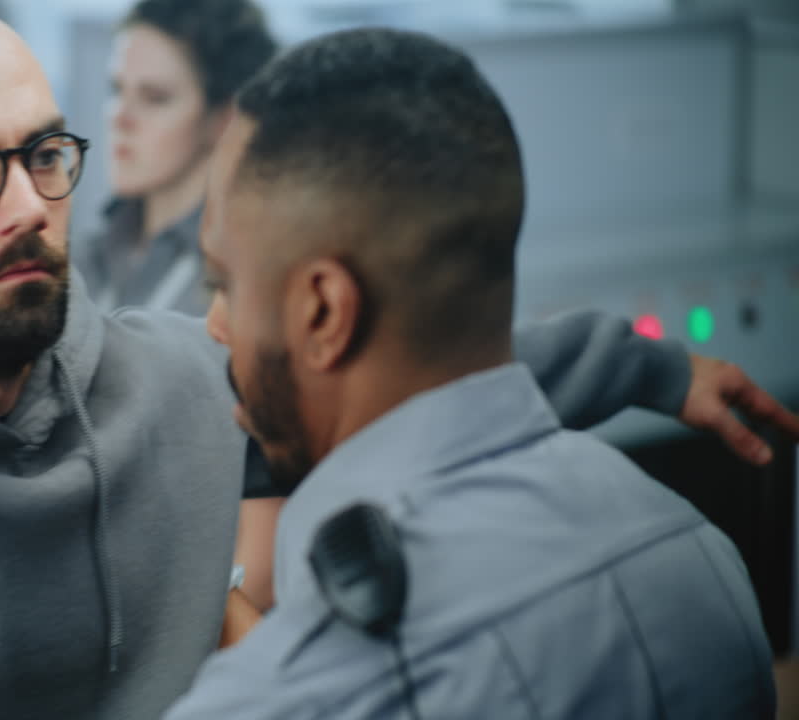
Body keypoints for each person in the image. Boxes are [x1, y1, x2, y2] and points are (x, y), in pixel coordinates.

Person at [0, 3, 794, 719]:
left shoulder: (177, 380)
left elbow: (396, 365)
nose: (28, 204)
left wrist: (643, 367)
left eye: (44, 154)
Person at [165, 27, 779, 718]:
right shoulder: (703, 558)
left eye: (225, 285)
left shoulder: (286, 697)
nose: (216, 325)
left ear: (324, 311)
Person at [73, 0, 276, 315]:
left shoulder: (244, 276)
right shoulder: (83, 257)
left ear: (225, 119)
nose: (120, 117)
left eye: (155, 98)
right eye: (116, 90)